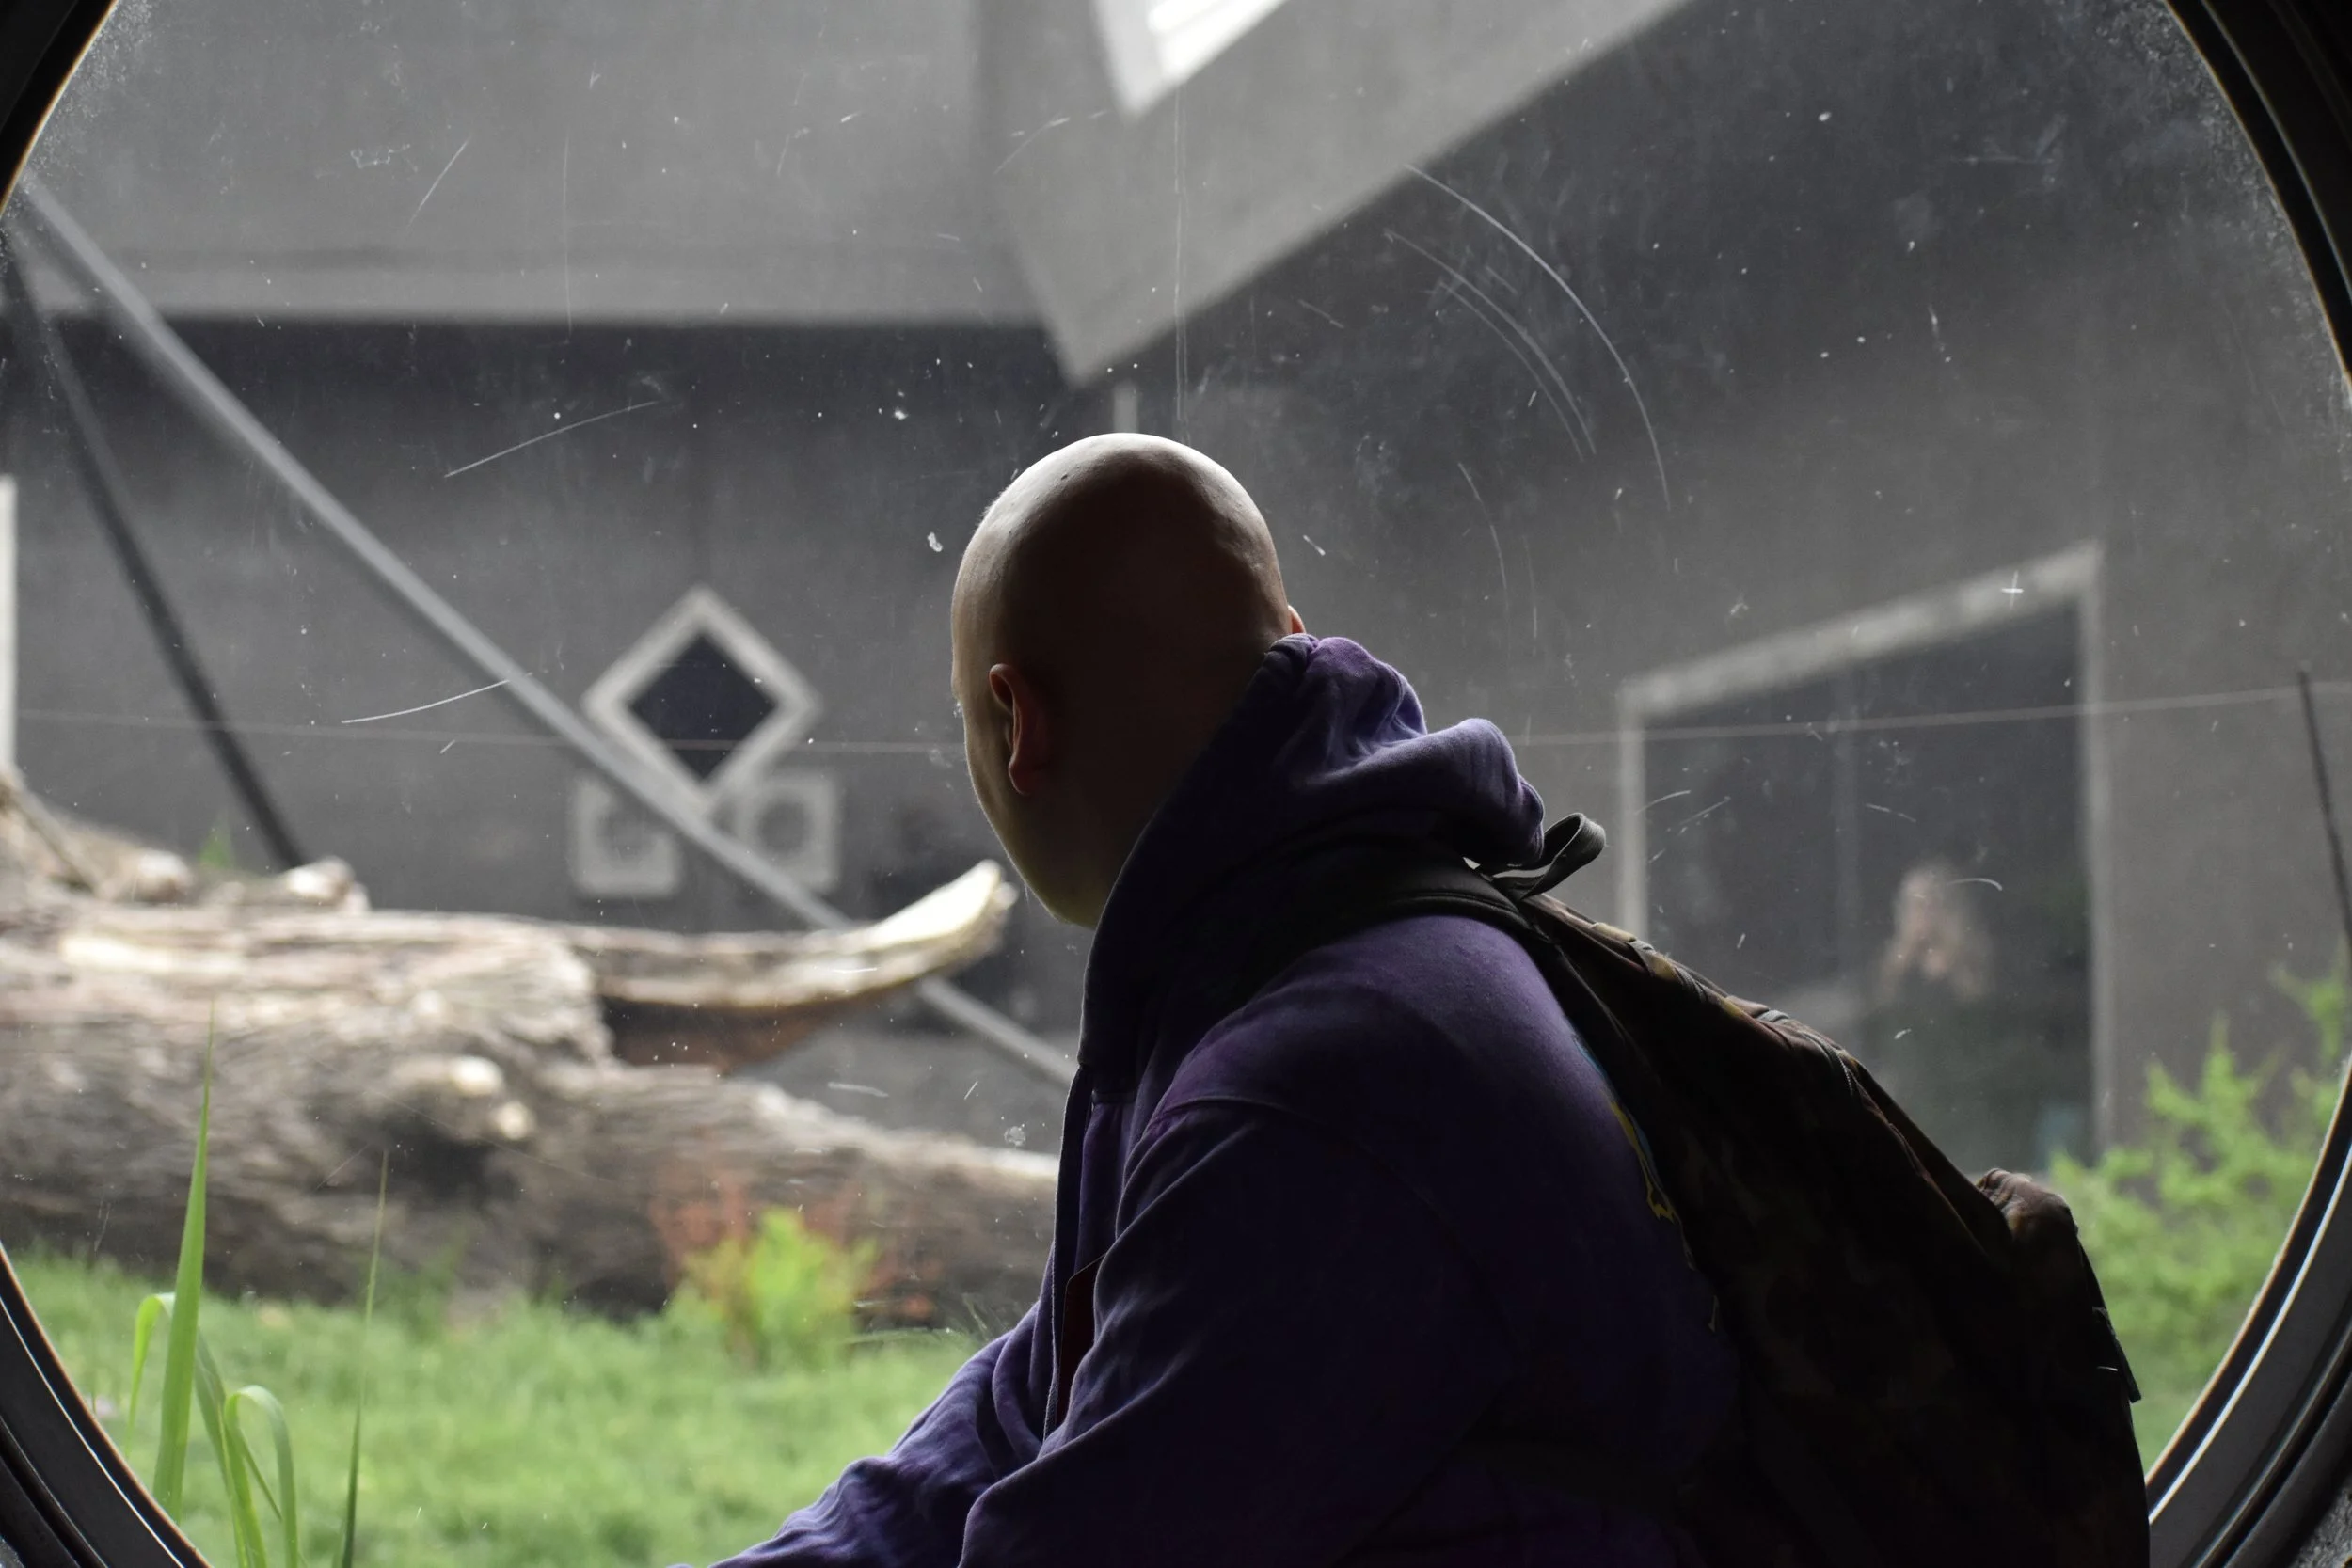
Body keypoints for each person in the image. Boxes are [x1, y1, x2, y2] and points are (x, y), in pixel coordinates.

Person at [709, 434, 1736, 1566]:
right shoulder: (1306, 962)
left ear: (1017, 723)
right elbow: (1025, 1408)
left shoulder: (1306, 1097)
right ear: (1285, 641)